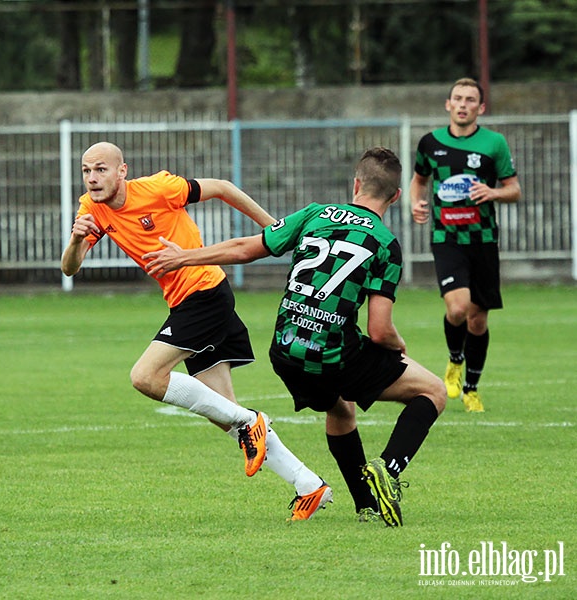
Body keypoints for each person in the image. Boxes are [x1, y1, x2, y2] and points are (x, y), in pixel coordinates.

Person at [143, 147, 446, 527]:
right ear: (396, 197)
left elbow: (243, 248)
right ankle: (388, 468)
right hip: (332, 353)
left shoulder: (314, 214)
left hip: (285, 351)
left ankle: (366, 504)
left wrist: (183, 257)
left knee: (339, 408)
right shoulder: (385, 243)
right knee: (433, 391)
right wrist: (396, 346)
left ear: (356, 184)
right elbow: (379, 329)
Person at [61, 141, 332, 521]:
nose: (92, 178)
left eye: (101, 169)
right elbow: (70, 268)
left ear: (122, 171)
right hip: (187, 302)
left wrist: (274, 228)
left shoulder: (158, 188)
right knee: (225, 416)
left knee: (145, 376)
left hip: (204, 294)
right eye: (87, 170)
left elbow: (222, 186)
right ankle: (309, 485)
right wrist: (76, 240)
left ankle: (251, 419)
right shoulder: (91, 208)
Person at [410, 77, 521, 413]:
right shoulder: (430, 143)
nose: (462, 104)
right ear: (448, 104)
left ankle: (472, 388)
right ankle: (454, 360)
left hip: (483, 240)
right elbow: (419, 181)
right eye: (457, 98)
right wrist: (415, 203)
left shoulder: (494, 144)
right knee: (457, 308)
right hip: (447, 239)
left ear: (480, 107)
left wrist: (494, 192)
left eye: (470, 100)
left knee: (477, 320)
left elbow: (514, 189)